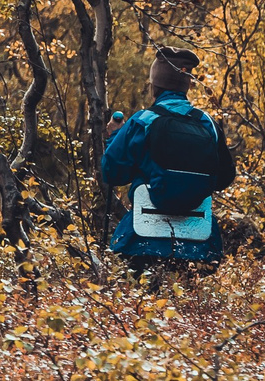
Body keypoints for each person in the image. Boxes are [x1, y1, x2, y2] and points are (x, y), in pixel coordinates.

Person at [101, 47, 237, 272]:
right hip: (201, 244)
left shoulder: (143, 121)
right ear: (186, 86)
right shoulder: (208, 123)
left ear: (154, 86)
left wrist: (116, 135)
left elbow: (112, 173)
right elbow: (224, 178)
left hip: (142, 240)